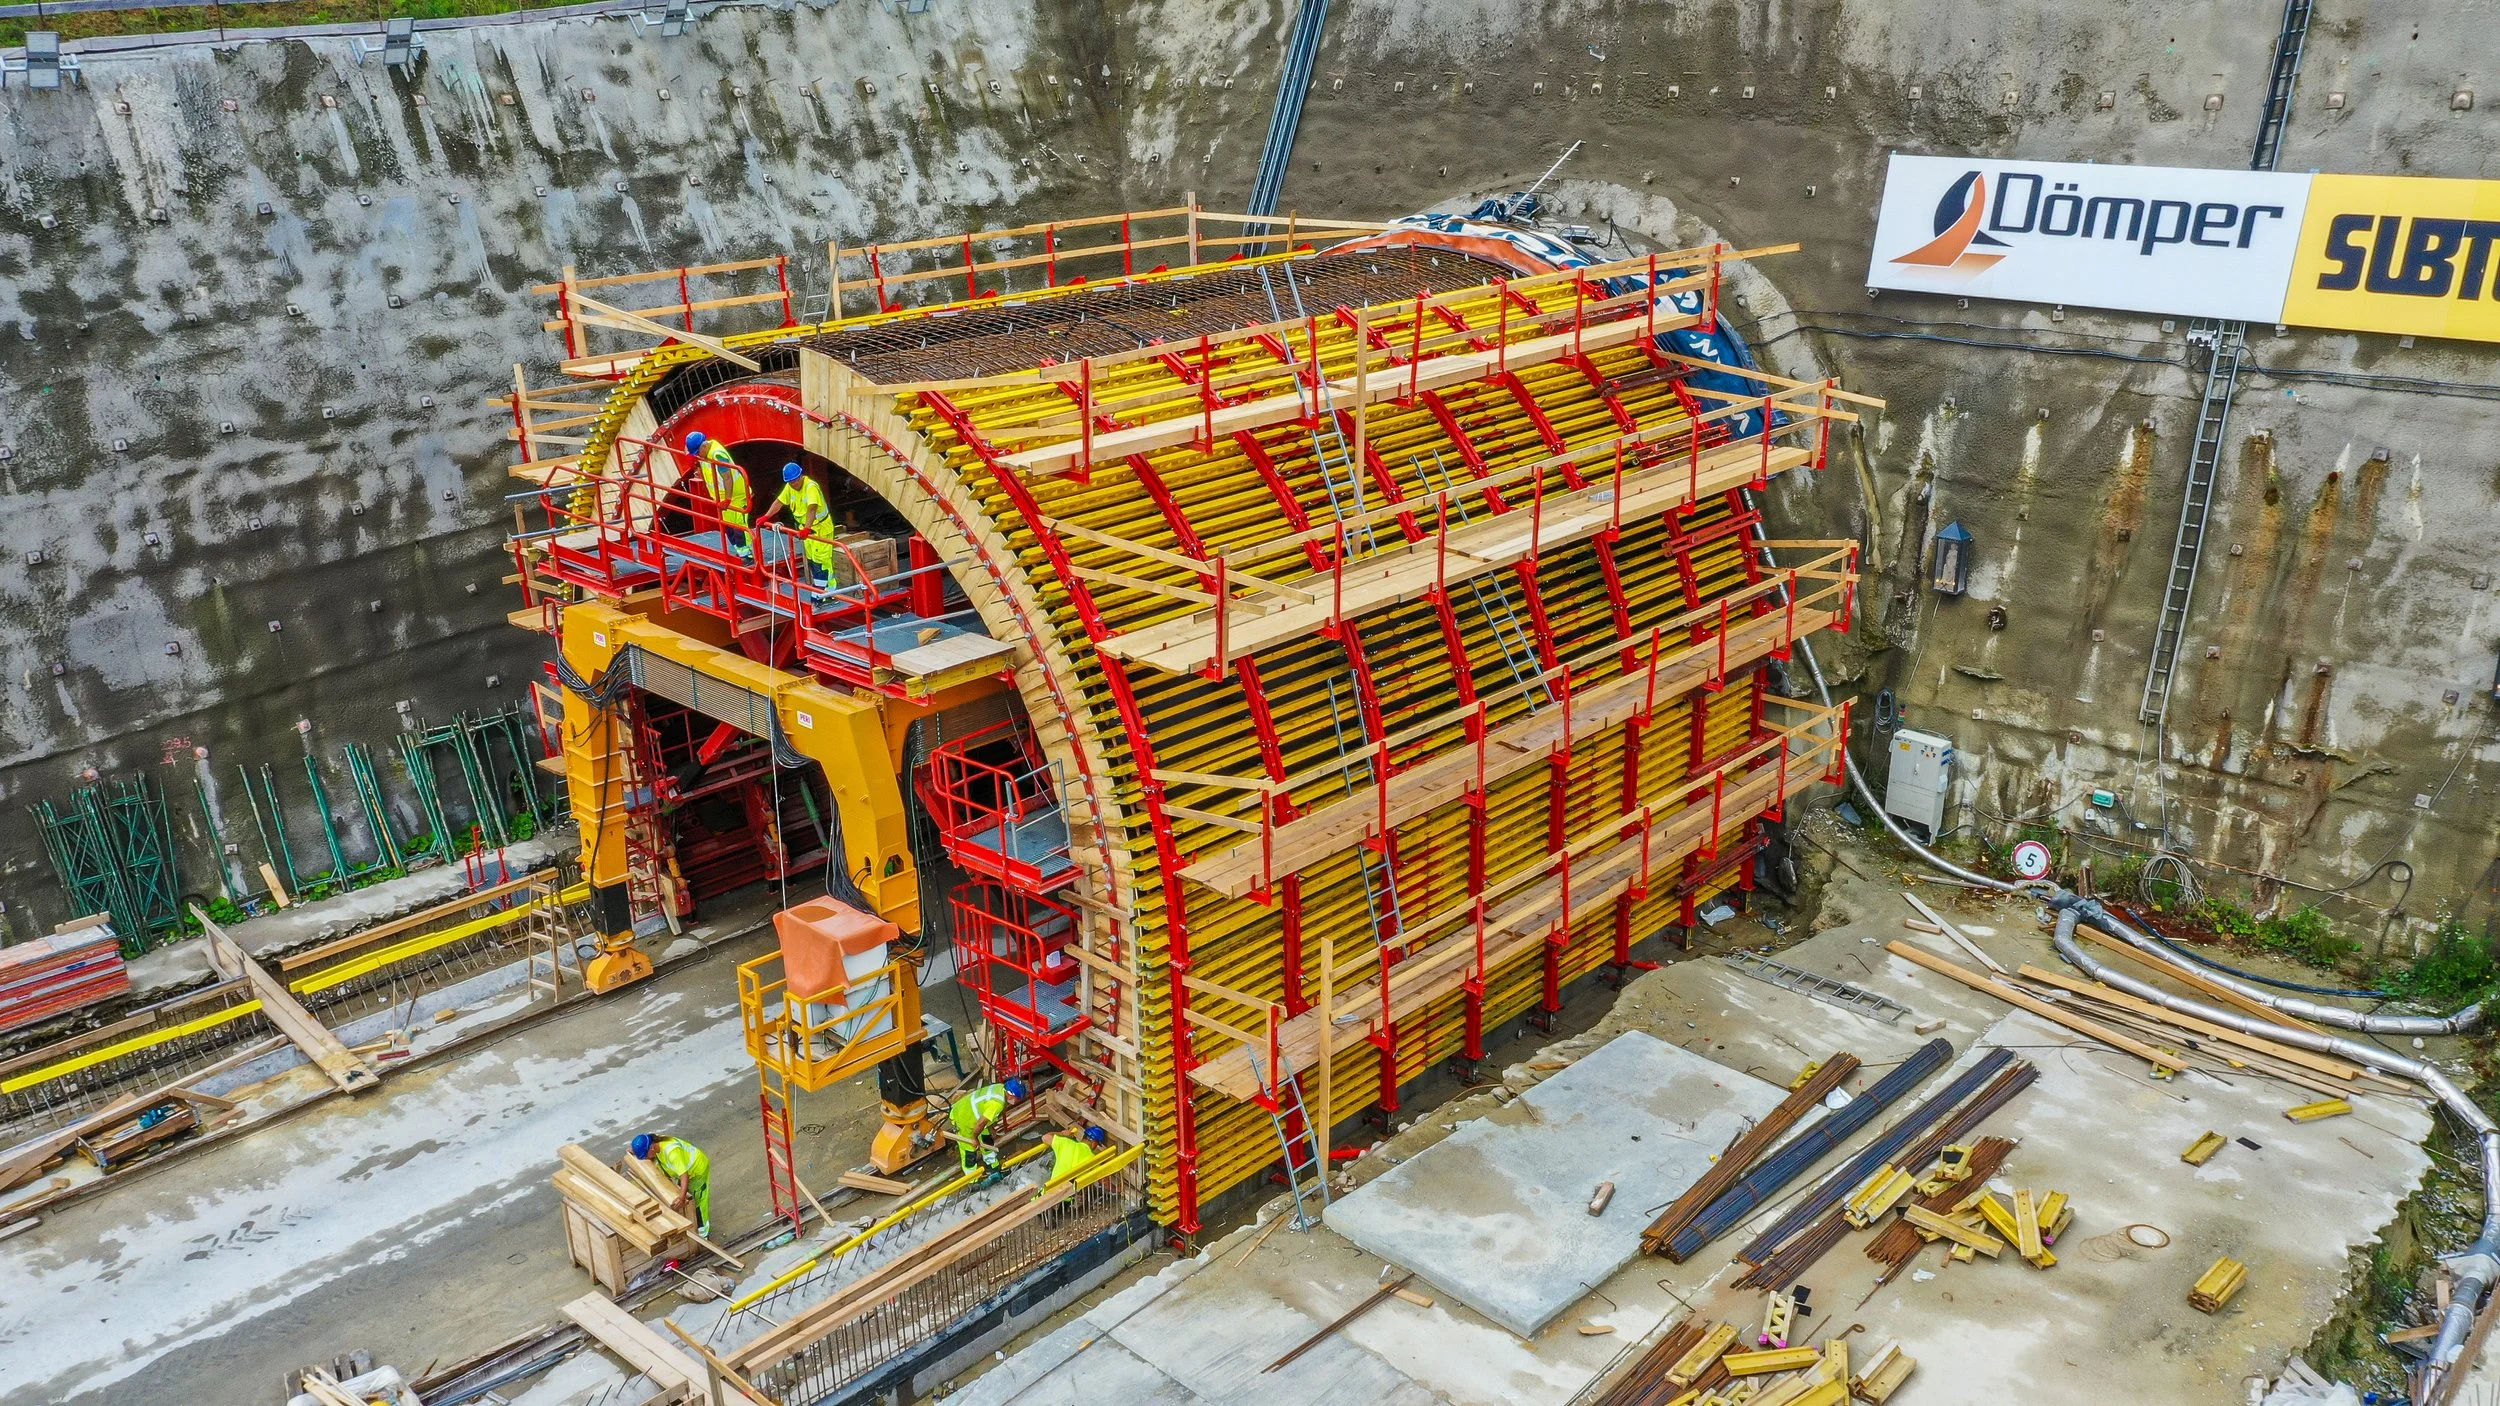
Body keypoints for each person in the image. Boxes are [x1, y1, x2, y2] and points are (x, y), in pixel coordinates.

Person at [756, 462, 838, 587]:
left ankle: (827, 593)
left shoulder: (810, 487)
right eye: (790, 482)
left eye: (794, 481)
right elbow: (779, 502)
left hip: (820, 529)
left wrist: (806, 528)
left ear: (800, 476)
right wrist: (766, 516)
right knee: (812, 561)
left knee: (821, 562)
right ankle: (820, 592)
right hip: (807, 531)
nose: (793, 484)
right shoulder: (790, 487)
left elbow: (812, 509)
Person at [631, 1132, 712, 1237]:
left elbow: (684, 1176)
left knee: (696, 1201)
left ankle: (703, 1233)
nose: (646, 1158)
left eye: (645, 1155)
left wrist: (682, 1198)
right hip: (684, 1170)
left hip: (697, 1171)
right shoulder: (654, 1144)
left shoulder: (672, 1152)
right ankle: (689, 1220)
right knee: (680, 1190)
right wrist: (635, 1151)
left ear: (651, 1149)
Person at [681, 432, 749, 556]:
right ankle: (740, 553)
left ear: (703, 446)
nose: (697, 456)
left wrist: (727, 500)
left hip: (736, 496)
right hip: (723, 497)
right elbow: (686, 448)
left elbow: (727, 478)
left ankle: (748, 555)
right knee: (729, 527)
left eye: (697, 453)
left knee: (739, 527)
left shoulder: (717, 455)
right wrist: (694, 465)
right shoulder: (705, 451)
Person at [948, 1077, 1025, 1177]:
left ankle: (994, 1167)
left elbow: (986, 1114)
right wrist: (974, 1138)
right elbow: (981, 1123)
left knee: (987, 1141)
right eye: (1018, 1098)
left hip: (971, 1114)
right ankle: (972, 1180)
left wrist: (991, 1128)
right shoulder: (997, 1104)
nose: (1018, 1101)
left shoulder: (1000, 1088)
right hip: (964, 1119)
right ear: (1011, 1095)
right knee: (969, 1153)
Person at [1043, 1124, 1109, 1189]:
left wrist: (1063, 1134)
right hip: (1065, 1197)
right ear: (1094, 1143)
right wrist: (1117, 1189)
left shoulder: (1066, 1143)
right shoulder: (1093, 1159)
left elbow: (1045, 1137)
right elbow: (1103, 1181)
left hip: (1047, 1192)